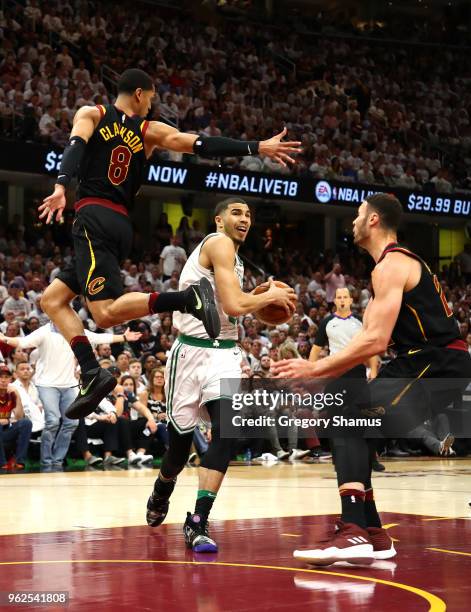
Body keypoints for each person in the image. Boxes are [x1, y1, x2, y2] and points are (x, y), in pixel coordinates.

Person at [38, 68, 301, 421]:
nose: (151, 106)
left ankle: (186, 299)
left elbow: (74, 148)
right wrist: (256, 147)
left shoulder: (92, 114)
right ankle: (90, 370)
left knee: (103, 312)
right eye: (150, 99)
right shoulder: (150, 132)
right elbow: (201, 145)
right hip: (119, 224)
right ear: (139, 94)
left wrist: (60, 186)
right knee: (52, 300)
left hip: (93, 218)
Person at [272, 193, 471, 565]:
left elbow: (374, 341)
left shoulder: (392, 265)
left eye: (359, 214)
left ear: (374, 220)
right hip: (426, 362)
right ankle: (373, 531)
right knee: (350, 422)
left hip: (436, 362)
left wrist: (314, 368)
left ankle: (353, 531)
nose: (353, 221)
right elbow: (370, 341)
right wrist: (323, 373)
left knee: (348, 419)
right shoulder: (392, 266)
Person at [146, 197, 297, 552]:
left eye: (248, 214)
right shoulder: (218, 243)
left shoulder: (236, 258)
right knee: (178, 454)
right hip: (189, 352)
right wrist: (268, 295)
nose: (244, 218)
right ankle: (162, 487)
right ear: (218, 220)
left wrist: (258, 299)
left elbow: (234, 308)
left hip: (225, 353)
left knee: (226, 432)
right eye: (236, 212)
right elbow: (234, 305)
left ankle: (197, 520)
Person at [0, 323, 141, 468]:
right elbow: (23, 342)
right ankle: (46, 462)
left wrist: (123, 337)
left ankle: (57, 461)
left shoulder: (74, 330)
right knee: (53, 421)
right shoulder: (44, 331)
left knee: (72, 422)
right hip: (47, 384)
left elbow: (98, 337)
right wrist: (5, 339)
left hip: (68, 384)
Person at [309, 287, 383, 471]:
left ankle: (372, 458)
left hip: (357, 373)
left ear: (351, 300)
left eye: (345, 297)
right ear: (334, 300)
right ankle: (338, 459)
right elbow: (316, 350)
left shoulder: (360, 321)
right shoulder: (327, 322)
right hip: (335, 375)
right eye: (339, 297)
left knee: (369, 418)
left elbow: (371, 347)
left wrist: (373, 371)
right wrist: (311, 371)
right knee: (335, 420)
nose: (342, 300)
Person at [0, 365, 32, 470]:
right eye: (1, 377)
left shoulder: (12, 393)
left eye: (6, 377)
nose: (3, 380)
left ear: (10, 379)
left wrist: (17, 396)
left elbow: (19, 417)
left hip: (5, 433)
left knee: (26, 423)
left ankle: (20, 461)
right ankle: (2, 462)